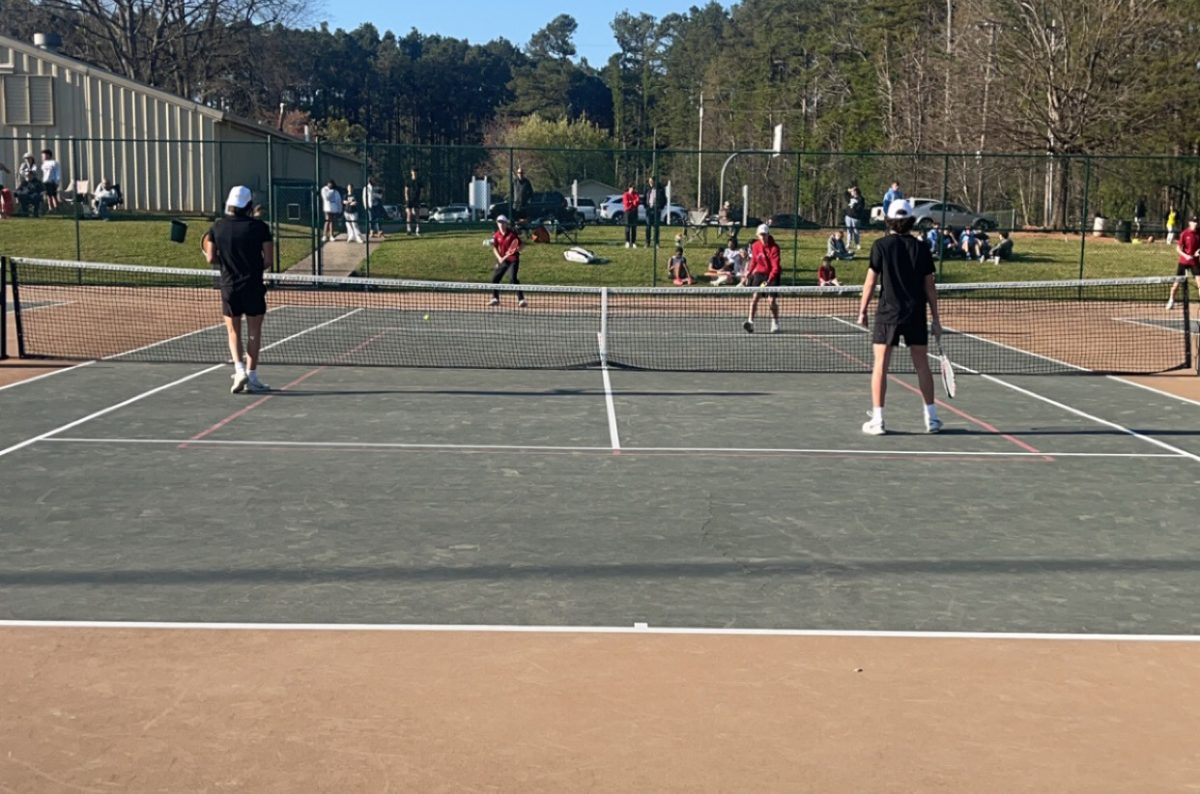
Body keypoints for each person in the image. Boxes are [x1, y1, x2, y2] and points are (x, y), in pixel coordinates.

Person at [857, 198, 942, 436]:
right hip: (915, 314)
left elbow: (870, 281)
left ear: (889, 221)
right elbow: (930, 286)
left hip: (888, 315)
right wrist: (936, 318)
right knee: (922, 365)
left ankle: (878, 420)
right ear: (911, 221)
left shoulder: (880, 246)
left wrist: (862, 310)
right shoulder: (922, 248)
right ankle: (932, 418)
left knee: (880, 366)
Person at [202, 186, 273, 395]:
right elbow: (268, 260)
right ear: (249, 205)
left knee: (233, 332)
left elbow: (210, 258)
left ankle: (239, 370)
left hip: (229, 286)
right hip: (253, 286)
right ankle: (251, 376)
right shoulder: (261, 228)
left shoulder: (217, 228)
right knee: (254, 332)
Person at [743, 223, 782, 333]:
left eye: (765, 234)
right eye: (761, 235)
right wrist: (748, 273)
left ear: (768, 235)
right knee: (755, 297)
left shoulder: (774, 248)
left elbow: (775, 266)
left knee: (771, 301)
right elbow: (754, 261)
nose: (763, 237)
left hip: (773, 274)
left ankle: (775, 322)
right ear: (757, 235)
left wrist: (769, 280)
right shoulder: (755, 246)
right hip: (760, 274)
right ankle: (750, 322)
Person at [488, 215, 526, 307]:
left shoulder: (512, 234)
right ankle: (495, 299)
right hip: (503, 260)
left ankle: (521, 300)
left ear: (506, 223)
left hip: (513, 260)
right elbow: (495, 248)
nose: (501, 224)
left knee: (513, 279)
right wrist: (499, 258)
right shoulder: (496, 235)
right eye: (499, 222)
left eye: (502, 222)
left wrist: (517, 250)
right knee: (495, 279)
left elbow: (521, 246)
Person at [1167, 215, 1199, 310]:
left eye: (1196, 222)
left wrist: (1198, 252)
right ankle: (1171, 300)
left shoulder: (1199, 233)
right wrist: (1186, 256)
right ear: (1189, 223)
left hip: (1195, 262)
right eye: (1193, 222)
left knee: (1199, 283)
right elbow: (1178, 248)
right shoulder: (1184, 234)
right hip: (1184, 262)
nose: (1195, 224)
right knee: (1177, 284)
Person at [644, 175, 664, 247]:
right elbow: (644, 199)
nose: (650, 183)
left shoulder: (660, 189)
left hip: (657, 210)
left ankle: (656, 243)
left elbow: (664, 200)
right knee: (648, 226)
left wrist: (660, 207)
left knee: (656, 227)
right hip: (649, 210)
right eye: (649, 182)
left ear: (655, 181)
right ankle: (647, 243)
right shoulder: (647, 189)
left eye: (652, 181)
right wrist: (646, 207)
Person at [845, 186, 866, 250]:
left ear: (856, 192)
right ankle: (848, 244)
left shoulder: (861, 199)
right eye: (851, 191)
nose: (851, 192)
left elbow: (860, 207)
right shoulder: (851, 197)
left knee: (856, 231)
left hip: (856, 218)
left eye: (853, 191)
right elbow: (845, 195)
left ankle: (857, 244)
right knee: (849, 231)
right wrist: (849, 190)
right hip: (848, 216)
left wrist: (853, 208)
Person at [404, 167, 422, 236]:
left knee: (417, 214)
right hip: (410, 200)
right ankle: (409, 229)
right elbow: (406, 191)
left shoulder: (419, 181)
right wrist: (407, 200)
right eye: (413, 172)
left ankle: (418, 229)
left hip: (416, 200)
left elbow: (421, 191)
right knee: (409, 214)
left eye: (416, 172)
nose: (414, 173)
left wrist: (419, 200)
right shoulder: (408, 181)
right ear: (411, 172)